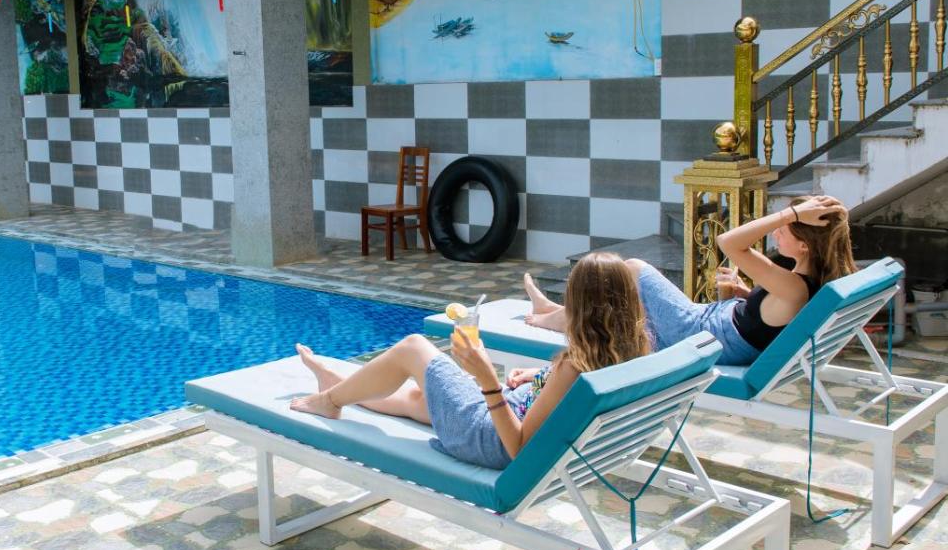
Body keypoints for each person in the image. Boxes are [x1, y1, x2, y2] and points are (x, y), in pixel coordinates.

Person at [290, 252, 649, 469]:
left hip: (491, 438)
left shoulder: (573, 368)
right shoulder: (633, 350)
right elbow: (561, 396)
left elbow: (518, 448)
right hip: (514, 411)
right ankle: (338, 387)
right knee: (418, 399)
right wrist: (539, 377)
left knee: (414, 347)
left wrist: (488, 380)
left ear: (582, 307)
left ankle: (330, 401)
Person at [524, 195, 855, 366]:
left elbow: (728, 242)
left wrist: (790, 213)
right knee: (623, 303)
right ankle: (552, 312)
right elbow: (764, 322)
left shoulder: (795, 288)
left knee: (632, 270)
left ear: (804, 244)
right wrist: (743, 296)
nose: (777, 231)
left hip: (698, 333)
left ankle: (549, 317)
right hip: (710, 324)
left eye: (785, 229)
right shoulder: (800, 282)